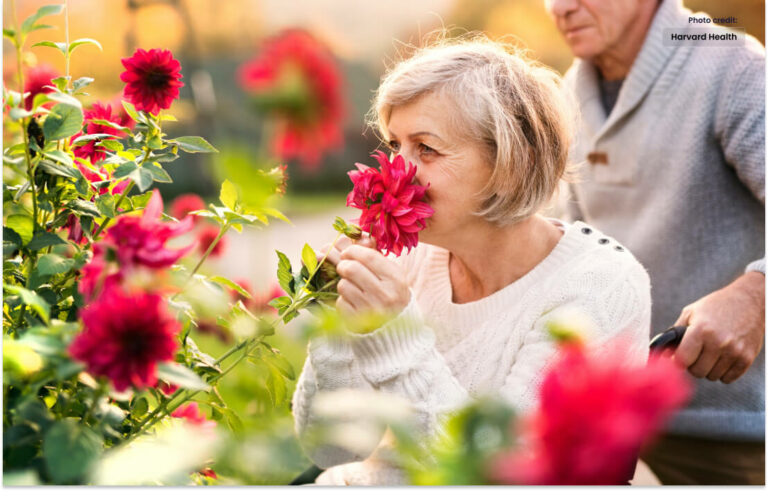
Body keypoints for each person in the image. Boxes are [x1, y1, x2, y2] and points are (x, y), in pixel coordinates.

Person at [290, 37, 652, 485]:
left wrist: (396, 336)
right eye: (395, 145)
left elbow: (499, 476)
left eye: (426, 148)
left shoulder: (598, 287)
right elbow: (329, 448)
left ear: (510, 165)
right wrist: (335, 328)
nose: (393, 172)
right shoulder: (409, 258)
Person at [544, 0, 765, 485]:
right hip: (614, 416)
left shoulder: (735, 70)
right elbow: (576, 247)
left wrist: (757, 293)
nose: (559, 7)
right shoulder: (567, 92)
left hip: (735, 430)